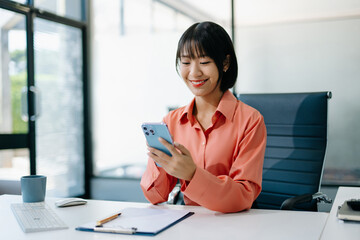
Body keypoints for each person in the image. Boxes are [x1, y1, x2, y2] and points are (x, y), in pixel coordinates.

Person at [140, 21, 267, 213]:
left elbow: (243, 196)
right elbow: (155, 196)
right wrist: (161, 164)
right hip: (188, 223)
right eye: (186, 62)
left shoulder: (251, 120)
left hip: (235, 225)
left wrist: (192, 173)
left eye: (204, 62)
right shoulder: (171, 122)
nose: (194, 72)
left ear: (225, 63)